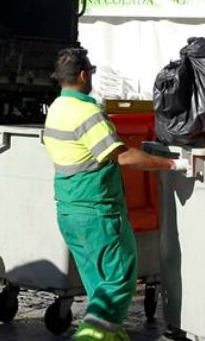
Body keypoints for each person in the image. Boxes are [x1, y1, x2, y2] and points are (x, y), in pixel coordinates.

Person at [42, 47, 188, 341]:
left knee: (99, 284)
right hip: (99, 211)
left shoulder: (56, 108)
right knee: (119, 279)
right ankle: (92, 337)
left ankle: (113, 335)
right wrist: (172, 164)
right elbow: (121, 157)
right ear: (84, 75)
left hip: (69, 211)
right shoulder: (87, 112)